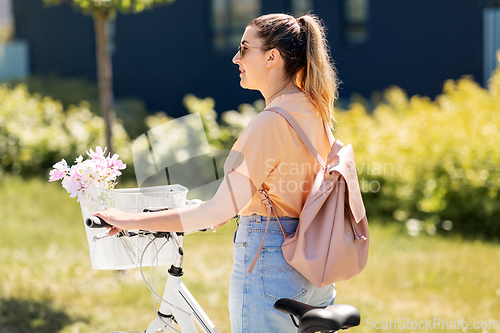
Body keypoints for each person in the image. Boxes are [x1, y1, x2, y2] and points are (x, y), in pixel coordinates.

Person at [94, 13, 339, 333]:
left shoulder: (270, 122)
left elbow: (214, 211)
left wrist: (126, 220)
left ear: (271, 57)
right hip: (315, 265)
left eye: (244, 48)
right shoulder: (313, 111)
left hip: (272, 266)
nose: (237, 57)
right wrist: (233, 207)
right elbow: (290, 188)